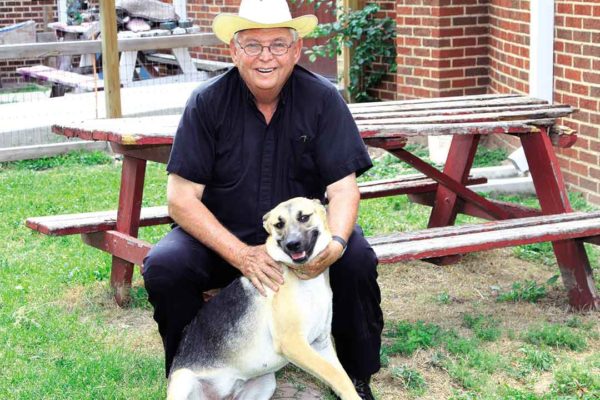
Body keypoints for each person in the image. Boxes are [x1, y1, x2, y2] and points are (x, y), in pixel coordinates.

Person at [142, 0, 383, 398]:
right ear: (234, 50)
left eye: (277, 44)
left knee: (356, 258)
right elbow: (181, 199)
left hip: (297, 239)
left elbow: (343, 189)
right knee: (167, 266)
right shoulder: (206, 103)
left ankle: (357, 377)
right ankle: (194, 373)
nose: (265, 56)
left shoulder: (323, 99)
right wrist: (241, 254)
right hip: (220, 238)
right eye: (253, 45)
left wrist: (337, 244)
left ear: (296, 49)